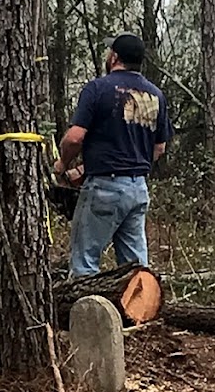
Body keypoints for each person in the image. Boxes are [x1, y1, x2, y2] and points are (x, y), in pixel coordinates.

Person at [53, 34, 171, 277]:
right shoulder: (155, 95)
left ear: (115, 57)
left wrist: (62, 164)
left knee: (84, 264)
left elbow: (75, 137)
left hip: (104, 188)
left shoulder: (98, 88)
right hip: (138, 188)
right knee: (135, 269)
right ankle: (140, 311)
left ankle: (84, 312)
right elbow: (159, 148)